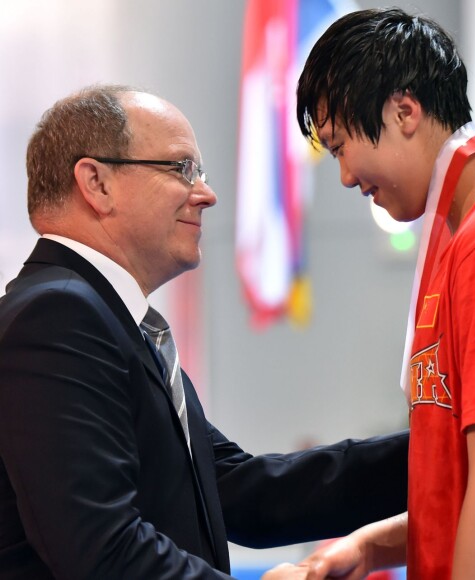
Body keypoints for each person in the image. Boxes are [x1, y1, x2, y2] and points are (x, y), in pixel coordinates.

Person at [0, 84, 410, 579]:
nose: (207, 194)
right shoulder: (57, 317)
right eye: (182, 169)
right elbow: (101, 549)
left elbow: (238, 490)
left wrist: (437, 449)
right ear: (97, 184)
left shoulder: (105, 320)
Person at [272, 7, 475, 579]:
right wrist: (366, 547)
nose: (343, 176)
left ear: (404, 111)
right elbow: (469, 485)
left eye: (340, 146)